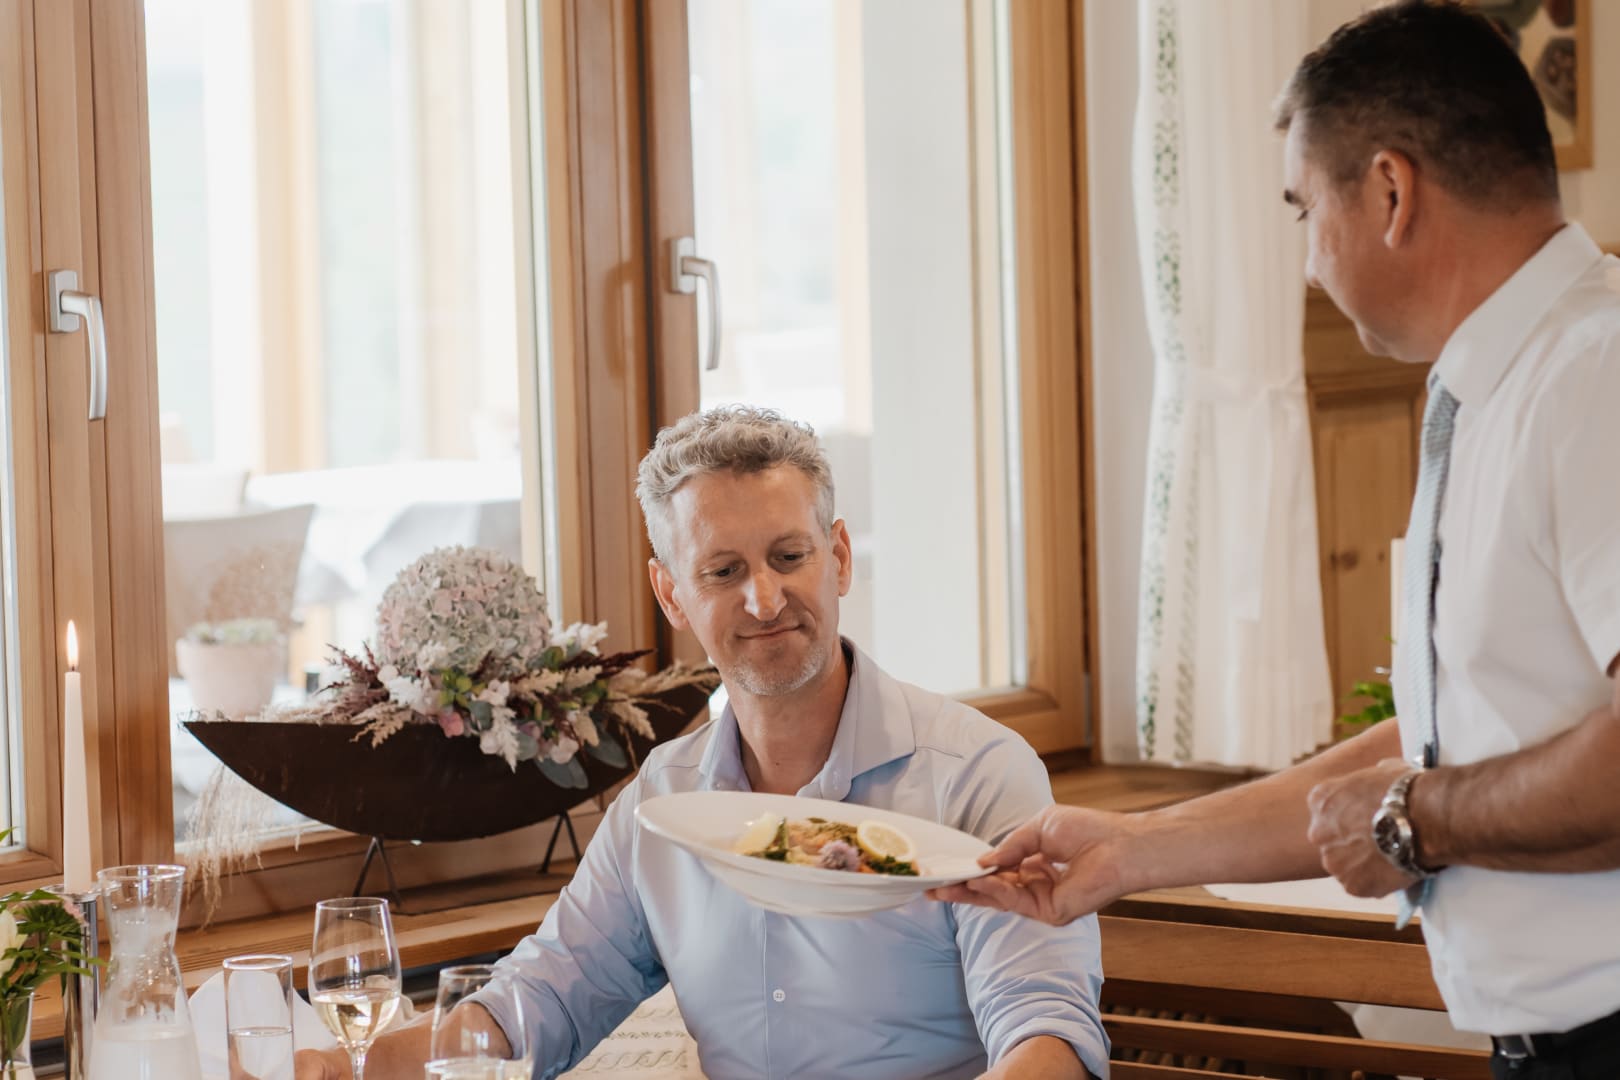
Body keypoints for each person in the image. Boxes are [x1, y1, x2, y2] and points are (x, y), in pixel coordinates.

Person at [934, 4, 1620, 1078]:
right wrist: (1134, 845)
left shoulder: (1593, 376)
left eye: (1304, 210)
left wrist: (1414, 820)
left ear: (1389, 193)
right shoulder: (1499, 386)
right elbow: (1450, 738)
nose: (1306, 265)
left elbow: (1422, 791)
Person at [296, 405, 1108, 1079]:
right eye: (723, 571)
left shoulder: (977, 775)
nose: (765, 600)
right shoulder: (663, 800)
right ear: (672, 595)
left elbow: (1047, 1035)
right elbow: (541, 996)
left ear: (839, 558)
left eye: (789, 556)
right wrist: (343, 1068)